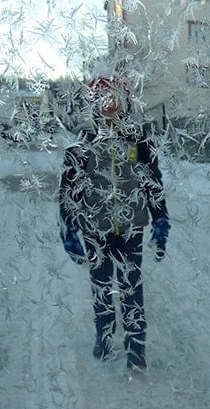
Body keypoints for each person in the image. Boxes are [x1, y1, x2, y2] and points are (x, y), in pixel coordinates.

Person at [58, 71, 170, 371]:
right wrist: (68, 228)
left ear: (125, 102)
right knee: (102, 286)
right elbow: (69, 188)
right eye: (103, 98)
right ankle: (104, 338)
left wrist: (161, 221)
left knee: (132, 287)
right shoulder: (83, 141)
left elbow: (153, 183)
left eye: (115, 98)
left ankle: (137, 350)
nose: (110, 104)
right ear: (94, 103)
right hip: (95, 228)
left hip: (131, 226)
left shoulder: (139, 138)